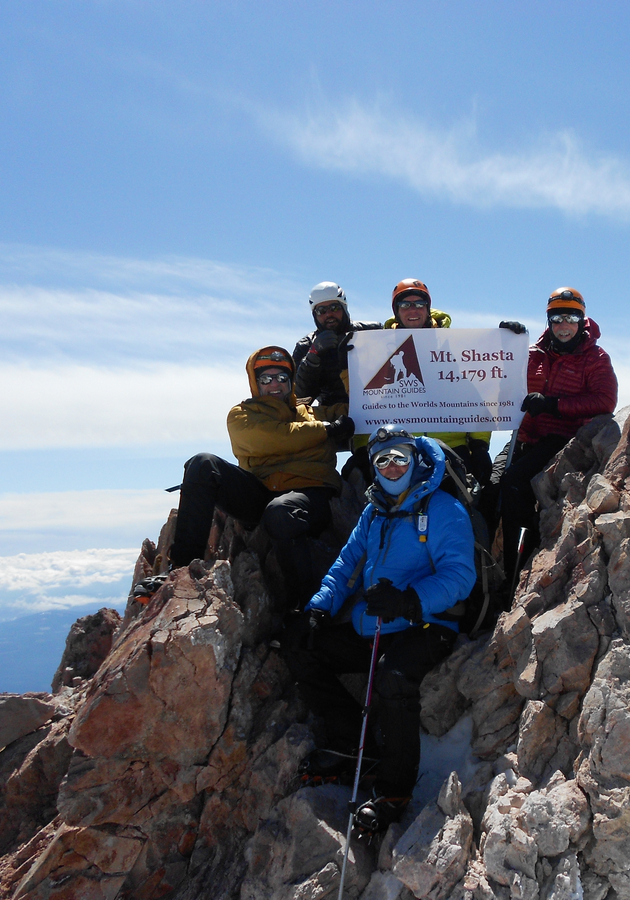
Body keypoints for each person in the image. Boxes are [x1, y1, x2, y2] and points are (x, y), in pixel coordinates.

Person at [288, 426, 475, 837]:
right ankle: (351, 745)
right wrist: (319, 608)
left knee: (394, 677)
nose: (392, 467)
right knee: (303, 647)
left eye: (399, 458)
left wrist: (409, 600)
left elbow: (460, 575)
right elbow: (345, 566)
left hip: (428, 623)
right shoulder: (373, 513)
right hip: (377, 623)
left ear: (415, 460)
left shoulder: (442, 507)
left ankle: (393, 792)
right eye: (382, 460)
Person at [161, 346, 355, 608]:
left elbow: (367, 406)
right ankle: (182, 569)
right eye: (266, 378)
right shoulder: (242, 415)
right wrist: (325, 431)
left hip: (311, 493)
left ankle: (304, 609)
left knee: (281, 512)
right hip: (261, 491)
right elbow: (269, 437)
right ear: (255, 382)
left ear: (291, 381)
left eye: (282, 377)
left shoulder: (314, 413)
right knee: (202, 464)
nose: (275, 384)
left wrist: (348, 367)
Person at [500, 287, 617, 585]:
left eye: (571, 318)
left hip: (563, 438)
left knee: (514, 483)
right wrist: (505, 342)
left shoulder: (595, 357)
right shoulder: (533, 353)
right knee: (489, 492)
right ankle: (492, 572)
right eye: (557, 318)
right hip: (524, 438)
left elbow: (605, 400)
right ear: (549, 321)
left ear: (581, 320)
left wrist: (554, 405)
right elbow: (495, 371)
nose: (564, 325)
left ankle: (518, 571)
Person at [383, 277, 526, 486]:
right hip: (401, 448)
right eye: (405, 305)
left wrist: (479, 444)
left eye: (419, 304)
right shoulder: (380, 347)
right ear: (396, 310)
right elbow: (367, 402)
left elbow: (474, 393)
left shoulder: (450, 344)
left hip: (452, 446)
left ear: (428, 308)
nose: (413, 310)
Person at [293, 281, 382, 409]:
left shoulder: (371, 331)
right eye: (321, 311)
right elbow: (298, 398)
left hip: (375, 410)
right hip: (331, 416)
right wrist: (312, 356)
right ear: (314, 315)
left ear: (344, 308)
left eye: (334, 308)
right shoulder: (305, 346)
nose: (329, 314)